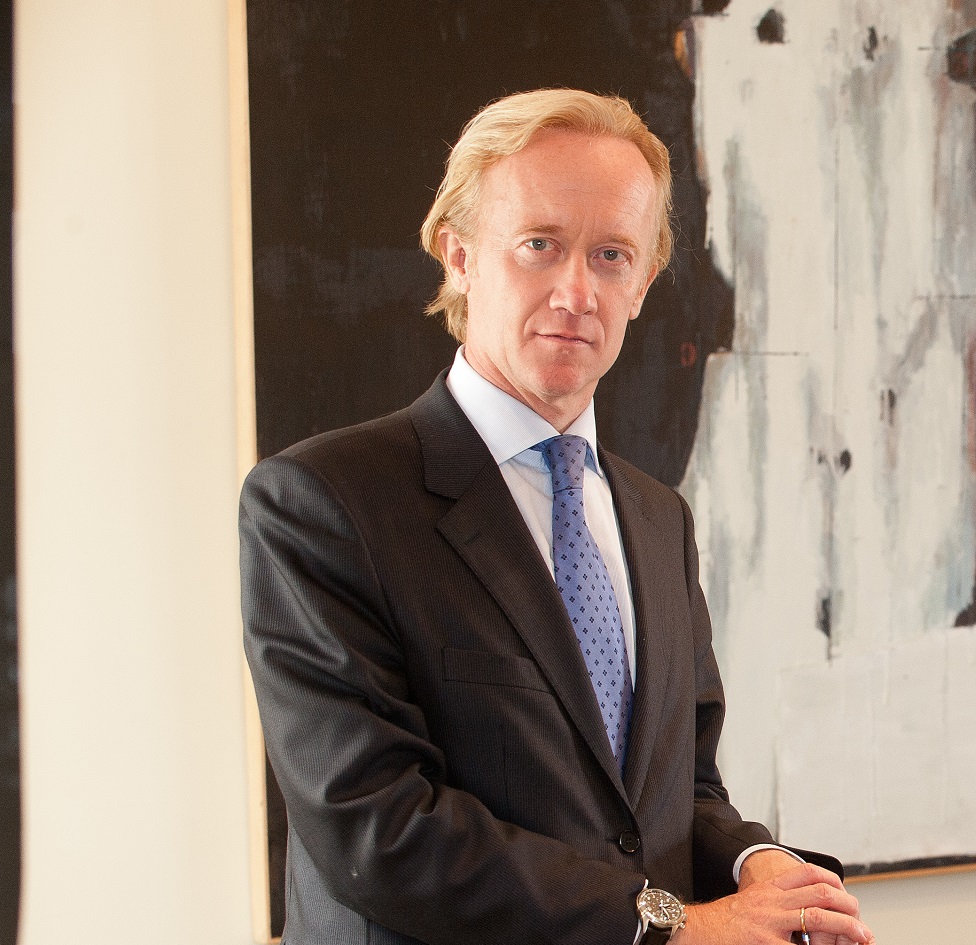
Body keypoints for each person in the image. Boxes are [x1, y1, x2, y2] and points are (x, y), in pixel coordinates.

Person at [240, 88, 873, 945]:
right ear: (458, 256)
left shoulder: (658, 518)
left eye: (612, 255)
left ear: (642, 284)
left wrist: (750, 863)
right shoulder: (321, 502)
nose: (576, 291)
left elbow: (677, 790)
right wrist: (667, 927)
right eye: (539, 244)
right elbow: (378, 829)